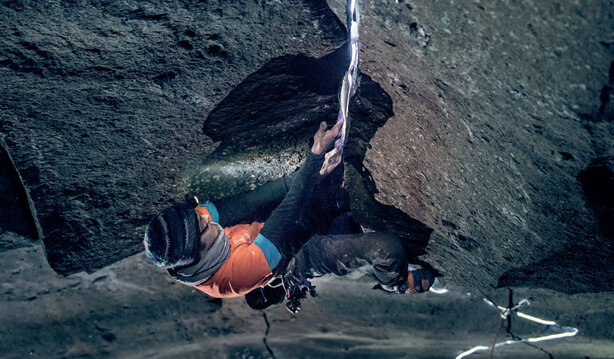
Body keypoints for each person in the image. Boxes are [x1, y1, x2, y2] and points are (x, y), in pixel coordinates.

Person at [144, 121, 435, 310]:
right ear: (200, 250)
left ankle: (334, 212)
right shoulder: (235, 276)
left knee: (330, 194)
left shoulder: (194, 224)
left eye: (200, 216)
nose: (206, 217)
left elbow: (253, 201)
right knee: (387, 249)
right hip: (292, 258)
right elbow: (286, 218)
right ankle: (393, 284)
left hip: (266, 234)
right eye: (203, 226)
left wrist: (313, 172)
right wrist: (314, 157)